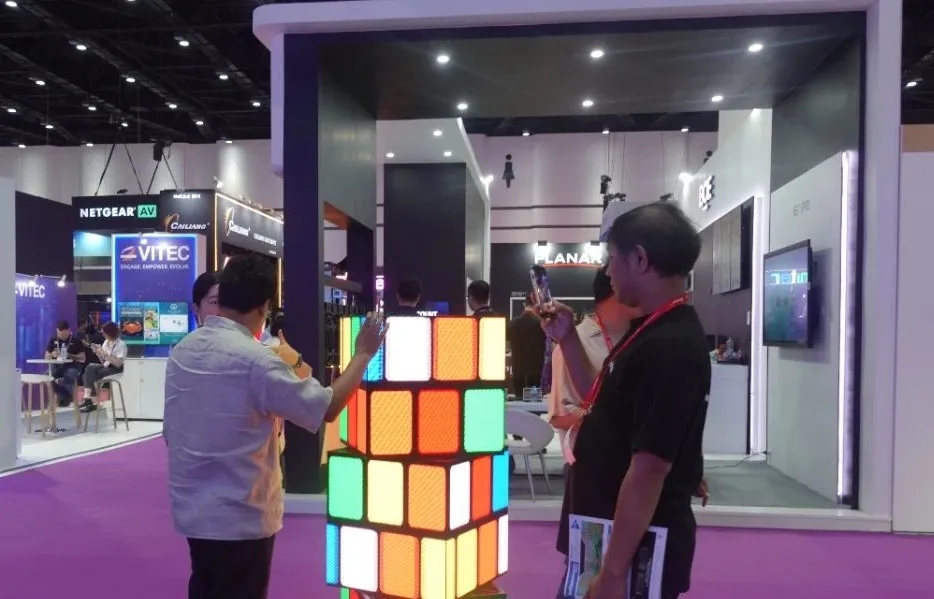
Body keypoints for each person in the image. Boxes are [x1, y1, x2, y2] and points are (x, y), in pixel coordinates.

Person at [163, 254, 386, 599]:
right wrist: (362, 356)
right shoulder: (256, 360)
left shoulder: (183, 350)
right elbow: (325, 407)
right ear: (264, 306)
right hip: (240, 514)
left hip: (193, 508)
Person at [544, 203, 710, 599]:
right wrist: (568, 338)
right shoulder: (649, 332)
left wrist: (614, 572)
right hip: (602, 535)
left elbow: (649, 469)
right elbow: (602, 402)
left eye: (612, 259)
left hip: (631, 553)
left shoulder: (670, 347)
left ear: (640, 259)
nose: (607, 271)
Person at [78, 321, 128, 413]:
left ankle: (91, 401)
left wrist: (105, 354)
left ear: (110, 332)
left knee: (87, 376)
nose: (103, 334)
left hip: (116, 369)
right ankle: (89, 399)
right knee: (90, 367)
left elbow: (118, 364)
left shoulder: (121, 344)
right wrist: (98, 352)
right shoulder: (106, 342)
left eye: (104, 332)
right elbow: (103, 361)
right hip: (106, 366)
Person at [507, 293, 547, 395]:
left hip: (518, 373)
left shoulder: (513, 323)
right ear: (537, 305)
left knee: (519, 402)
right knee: (533, 403)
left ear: (524, 304)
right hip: (536, 374)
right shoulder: (542, 324)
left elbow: (507, 345)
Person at [45, 320, 85, 407]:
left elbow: (82, 358)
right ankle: (65, 395)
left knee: (70, 375)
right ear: (57, 331)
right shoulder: (53, 340)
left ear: (69, 331)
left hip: (71, 366)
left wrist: (70, 355)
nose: (62, 337)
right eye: (60, 335)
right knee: (47, 376)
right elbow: (46, 357)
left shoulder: (76, 341)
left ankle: (67, 399)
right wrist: (52, 354)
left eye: (65, 335)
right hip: (56, 366)